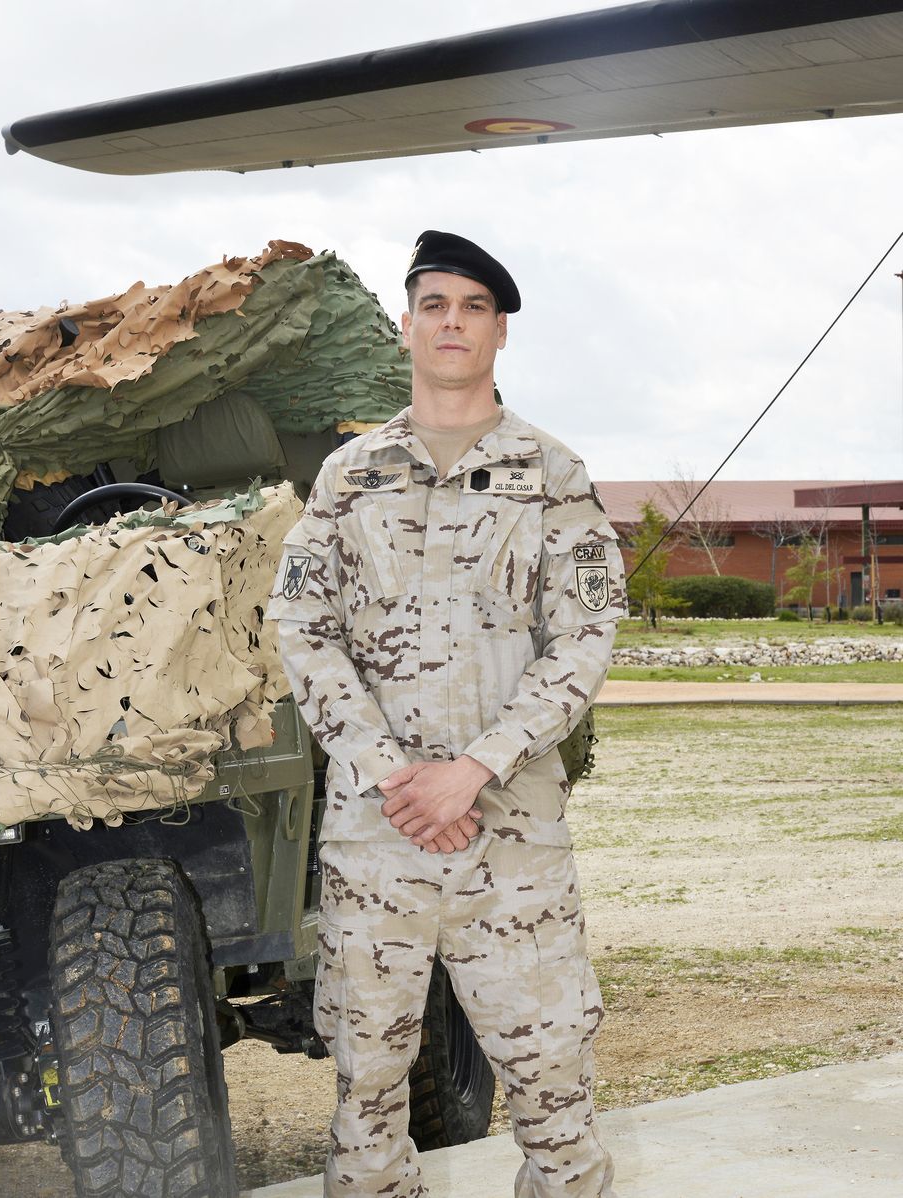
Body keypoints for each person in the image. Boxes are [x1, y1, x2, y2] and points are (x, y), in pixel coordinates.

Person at [267, 230, 625, 1197]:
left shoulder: (550, 474)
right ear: (406, 326)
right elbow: (299, 622)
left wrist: (474, 769)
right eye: (435, 305)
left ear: (500, 331)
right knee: (367, 1092)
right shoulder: (350, 476)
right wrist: (393, 772)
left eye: (473, 307)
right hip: (378, 835)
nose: (453, 323)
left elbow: (586, 637)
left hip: (510, 836)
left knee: (552, 1084)